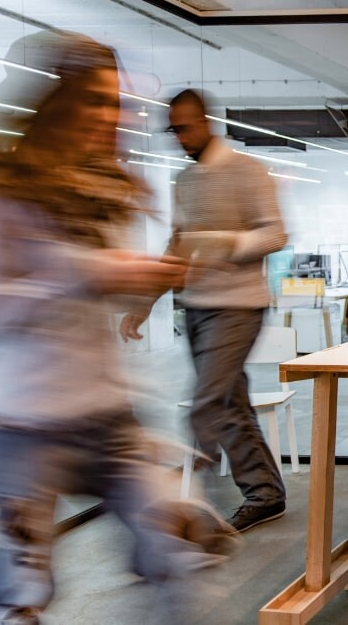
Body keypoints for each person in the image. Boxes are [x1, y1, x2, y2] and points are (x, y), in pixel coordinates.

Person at [0, 31, 239, 624]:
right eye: (97, 100)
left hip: (105, 420)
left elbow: (87, 304)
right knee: (17, 597)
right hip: (22, 425)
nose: (112, 115)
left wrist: (138, 283)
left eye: (117, 102)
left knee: (176, 558)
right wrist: (84, 271)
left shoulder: (104, 191)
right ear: (55, 104)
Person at [121, 89, 289, 533]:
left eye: (185, 127)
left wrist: (227, 243)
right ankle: (265, 493)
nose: (179, 137)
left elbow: (275, 235)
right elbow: (177, 246)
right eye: (173, 129)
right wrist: (144, 303)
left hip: (239, 307)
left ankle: (194, 506)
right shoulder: (185, 181)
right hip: (196, 307)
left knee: (207, 404)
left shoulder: (247, 172)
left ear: (207, 122)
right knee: (230, 404)